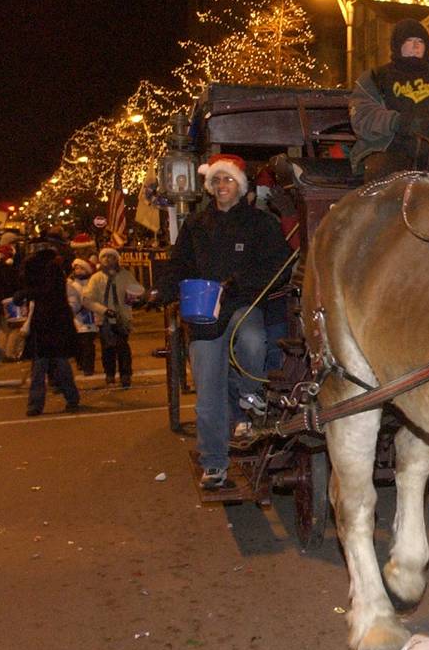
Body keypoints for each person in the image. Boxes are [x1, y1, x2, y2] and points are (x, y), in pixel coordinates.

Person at [155, 154, 294, 490]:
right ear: (209, 187)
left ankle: (248, 397)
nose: (221, 187)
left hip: (243, 303)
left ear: (240, 186)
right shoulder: (196, 225)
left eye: (227, 180)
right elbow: (180, 264)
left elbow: (278, 267)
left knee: (251, 340)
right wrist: (165, 290)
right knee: (208, 393)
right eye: (216, 181)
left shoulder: (261, 224)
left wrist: (237, 283)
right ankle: (214, 463)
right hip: (204, 315)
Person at [348, 18, 429, 183]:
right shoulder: (375, 77)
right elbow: (362, 116)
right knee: (384, 181)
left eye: (420, 41)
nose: (415, 45)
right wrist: (396, 122)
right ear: (398, 45)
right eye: (409, 40)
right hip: (391, 148)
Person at [18, 247, 81, 416]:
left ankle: (36, 405)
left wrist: (26, 293)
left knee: (43, 367)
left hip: (49, 325)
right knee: (57, 365)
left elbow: (46, 293)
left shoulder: (48, 273)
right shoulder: (53, 273)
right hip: (53, 325)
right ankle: (70, 398)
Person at [82, 247, 143, 389]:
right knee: (108, 348)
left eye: (111, 256)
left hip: (122, 318)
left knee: (123, 347)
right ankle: (109, 373)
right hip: (105, 320)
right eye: (104, 257)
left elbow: (136, 290)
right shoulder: (96, 278)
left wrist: (132, 299)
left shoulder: (125, 275)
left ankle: (125, 374)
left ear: (116, 259)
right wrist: (103, 310)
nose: (107, 259)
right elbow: (87, 299)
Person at [67, 258, 98, 376]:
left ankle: (88, 367)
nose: (78, 270)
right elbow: (71, 301)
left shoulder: (93, 283)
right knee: (78, 344)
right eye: (76, 268)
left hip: (91, 318)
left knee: (88, 344)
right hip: (77, 319)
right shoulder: (71, 285)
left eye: (80, 268)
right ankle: (80, 362)